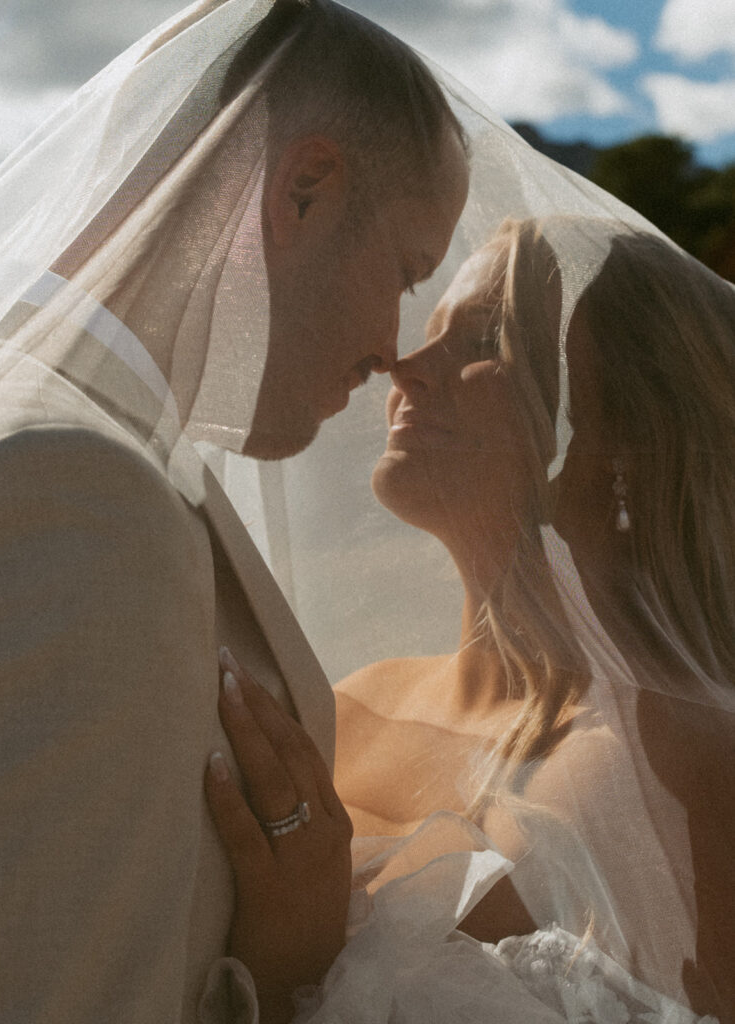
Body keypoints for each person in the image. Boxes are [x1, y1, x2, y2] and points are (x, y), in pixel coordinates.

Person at [0, 2, 468, 1022]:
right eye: (405, 271)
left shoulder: (5, 419)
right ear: (303, 191)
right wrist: (289, 970)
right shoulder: (73, 496)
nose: (395, 347)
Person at [206, 217, 734, 1023]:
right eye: (426, 333)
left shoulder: (688, 765)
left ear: (625, 431)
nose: (403, 367)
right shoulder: (345, 707)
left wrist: (289, 972)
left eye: (484, 336)